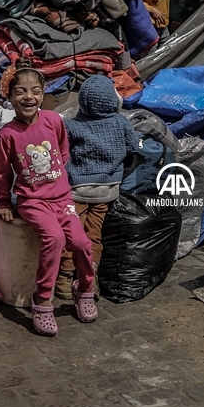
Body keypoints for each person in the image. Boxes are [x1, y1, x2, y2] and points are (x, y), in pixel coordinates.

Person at [0, 59, 98, 336]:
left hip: (62, 199)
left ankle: (85, 289)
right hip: (32, 201)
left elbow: (62, 152)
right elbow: (3, 173)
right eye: (21, 92)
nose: (28, 97)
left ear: (43, 94)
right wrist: (4, 203)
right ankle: (42, 300)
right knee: (54, 239)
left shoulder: (53, 120)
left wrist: (56, 184)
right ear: (10, 96)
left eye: (35, 91)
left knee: (81, 242)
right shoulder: (7, 135)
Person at [55, 75, 139, 300]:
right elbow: (133, 146)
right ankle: (89, 279)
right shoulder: (121, 122)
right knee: (94, 234)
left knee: (72, 235)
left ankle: (64, 278)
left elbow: (60, 154)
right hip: (107, 189)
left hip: (77, 190)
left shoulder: (71, 125)